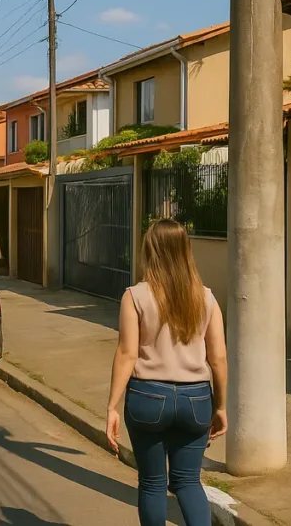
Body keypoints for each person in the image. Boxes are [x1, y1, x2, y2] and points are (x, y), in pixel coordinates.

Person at [105, 219, 228, 526]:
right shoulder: (206, 297)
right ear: (186, 251)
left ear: (151, 251)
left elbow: (127, 353)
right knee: (188, 482)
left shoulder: (134, 296)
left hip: (148, 397)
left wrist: (112, 406)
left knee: (152, 483)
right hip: (197, 400)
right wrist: (221, 406)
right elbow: (219, 358)